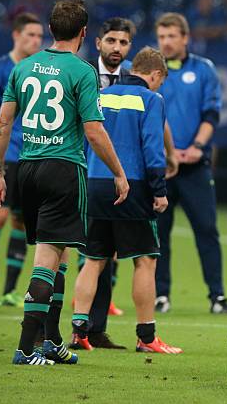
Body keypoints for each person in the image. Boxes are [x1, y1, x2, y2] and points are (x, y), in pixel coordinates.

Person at [0, 0, 129, 366]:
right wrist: (117, 171)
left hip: (27, 168)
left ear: (50, 30)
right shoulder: (82, 72)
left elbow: (3, 123)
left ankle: (52, 341)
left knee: (60, 254)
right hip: (63, 170)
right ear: (84, 33)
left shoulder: (24, 67)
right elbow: (94, 132)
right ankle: (24, 348)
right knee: (49, 259)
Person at [71, 46, 182, 354]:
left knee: (94, 260)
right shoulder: (152, 98)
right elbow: (152, 147)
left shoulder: (101, 96)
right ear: (155, 75)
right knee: (145, 260)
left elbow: (85, 138)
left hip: (95, 182)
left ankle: (80, 331)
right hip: (131, 185)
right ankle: (147, 337)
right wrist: (159, 190)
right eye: (161, 80)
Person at [153, 12, 227, 314]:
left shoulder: (204, 70)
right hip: (161, 166)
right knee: (159, 234)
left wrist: (198, 147)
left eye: (172, 36)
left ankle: (217, 296)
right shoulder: (151, 73)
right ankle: (161, 295)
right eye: (162, 37)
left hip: (193, 166)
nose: (166, 42)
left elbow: (211, 115)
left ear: (185, 38)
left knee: (206, 229)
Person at [70, 17, 137, 351]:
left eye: (123, 43)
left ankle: (94, 330)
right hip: (80, 171)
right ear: (97, 42)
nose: (117, 48)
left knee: (105, 254)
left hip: (114, 176)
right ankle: (52, 328)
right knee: (72, 253)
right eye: (111, 41)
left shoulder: (132, 81)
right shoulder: (82, 73)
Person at [0, 13, 43, 308]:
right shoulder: (0, 69)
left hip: (31, 156)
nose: (36, 41)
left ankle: (9, 291)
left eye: (40, 36)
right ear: (16, 35)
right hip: (6, 157)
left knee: (21, 222)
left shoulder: (39, 70)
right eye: (30, 35)